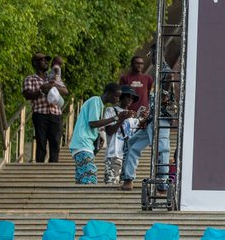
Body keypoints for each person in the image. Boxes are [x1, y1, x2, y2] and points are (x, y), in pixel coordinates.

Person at [120, 61, 174, 192]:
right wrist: (147, 116)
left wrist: (164, 95)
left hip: (161, 117)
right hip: (151, 117)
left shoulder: (164, 69)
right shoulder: (155, 73)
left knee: (162, 150)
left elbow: (169, 80)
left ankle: (162, 185)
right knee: (133, 144)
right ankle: (128, 179)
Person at [69, 83, 121, 185]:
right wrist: (115, 118)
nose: (118, 99)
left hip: (85, 144)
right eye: (116, 96)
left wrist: (98, 136)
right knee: (90, 179)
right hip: (83, 144)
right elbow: (92, 123)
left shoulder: (99, 104)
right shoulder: (95, 101)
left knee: (82, 179)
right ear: (108, 93)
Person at [22, 53, 67, 163]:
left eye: (47, 60)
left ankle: (53, 169)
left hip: (55, 113)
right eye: (42, 60)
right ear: (35, 63)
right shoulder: (30, 79)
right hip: (40, 113)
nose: (46, 62)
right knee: (41, 142)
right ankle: (39, 168)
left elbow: (65, 91)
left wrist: (53, 86)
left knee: (55, 142)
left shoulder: (53, 77)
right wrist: (42, 90)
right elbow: (27, 95)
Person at [103, 86, 139, 185]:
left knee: (125, 187)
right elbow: (109, 131)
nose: (130, 100)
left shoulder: (132, 117)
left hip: (128, 157)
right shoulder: (111, 110)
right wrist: (122, 119)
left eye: (132, 98)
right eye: (128, 97)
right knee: (111, 185)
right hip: (114, 155)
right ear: (121, 97)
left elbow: (135, 136)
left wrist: (143, 120)